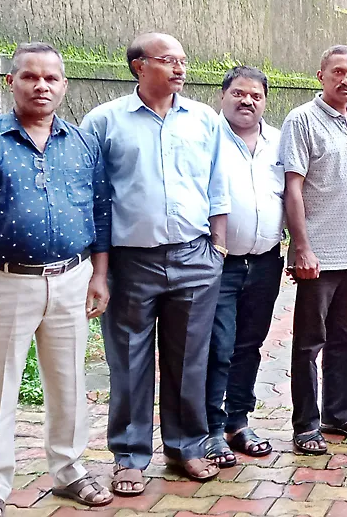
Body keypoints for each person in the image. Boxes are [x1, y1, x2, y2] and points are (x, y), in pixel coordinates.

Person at [0, 43, 114, 517]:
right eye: (30, 76)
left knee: (68, 381)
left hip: (72, 277)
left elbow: (101, 211)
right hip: (3, 281)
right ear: (11, 82)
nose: (41, 86)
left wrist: (100, 274)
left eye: (51, 78)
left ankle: (69, 470)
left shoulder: (83, 143)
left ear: (64, 85)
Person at [82, 32, 229, 492]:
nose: (180, 68)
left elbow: (218, 186)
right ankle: (129, 455)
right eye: (169, 60)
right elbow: (93, 196)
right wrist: (100, 267)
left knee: (189, 360)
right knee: (129, 360)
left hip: (195, 256)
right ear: (139, 66)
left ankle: (187, 446)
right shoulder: (105, 121)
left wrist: (218, 248)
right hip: (130, 262)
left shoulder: (204, 119)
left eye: (183, 60)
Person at [279, 45, 347, 455]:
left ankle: (339, 413)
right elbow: (293, 188)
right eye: (338, 72)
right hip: (318, 257)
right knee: (308, 344)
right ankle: (306, 425)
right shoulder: (301, 120)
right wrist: (301, 247)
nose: (346, 80)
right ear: (321, 75)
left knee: (346, 339)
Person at [203, 65, 285, 465]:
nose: (247, 101)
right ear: (223, 96)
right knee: (218, 346)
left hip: (266, 263)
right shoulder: (206, 137)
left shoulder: (279, 142)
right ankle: (210, 428)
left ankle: (238, 421)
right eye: (238, 93)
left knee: (249, 345)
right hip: (220, 263)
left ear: (265, 101)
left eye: (256, 95)